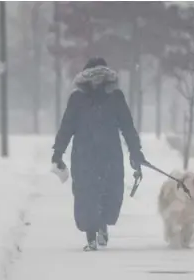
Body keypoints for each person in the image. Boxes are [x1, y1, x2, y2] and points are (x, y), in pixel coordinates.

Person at [51, 57, 145, 251]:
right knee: (88, 194)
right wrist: (57, 152)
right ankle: (91, 236)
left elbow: (127, 126)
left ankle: (100, 227)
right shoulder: (78, 99)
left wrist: (136, 152)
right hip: (88, 155)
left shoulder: (114, 97)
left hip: (103, 154)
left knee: (105, 194)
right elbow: (67, 127)